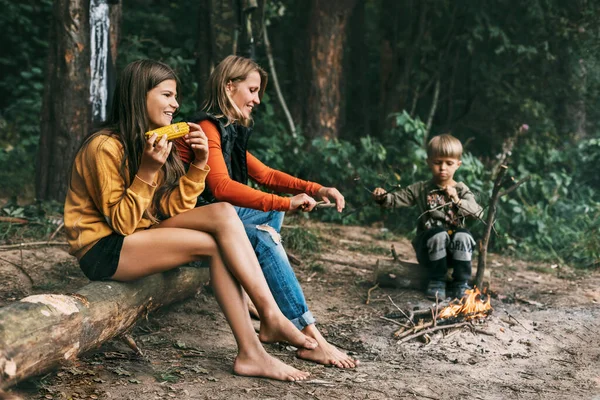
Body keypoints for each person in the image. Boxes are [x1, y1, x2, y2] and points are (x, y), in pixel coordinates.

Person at [64, 59, 319, 382]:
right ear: (139, 96)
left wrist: (198, 164)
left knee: (223, 213)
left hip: (140, 233)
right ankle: (257, 341)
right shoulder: (103, 147)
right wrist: (147, 171)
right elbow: (122, 223)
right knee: (214, 245)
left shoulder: (152, 141)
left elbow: (169, 208)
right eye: (168, 95)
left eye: (176, 96)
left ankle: (263, 327)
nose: (176, 105)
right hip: (104, 249)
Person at [175, 55, 358, 368]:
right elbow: (220, 187)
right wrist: (286, 202)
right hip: (185, 222)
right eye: (253, 90)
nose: (257, 99)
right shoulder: (206, 127)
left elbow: (266, 175)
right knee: (264, 233)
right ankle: (308, 331)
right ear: (229, 86)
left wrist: (317, 189)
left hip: (211, 216)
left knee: (269, 220)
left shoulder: (224, 128)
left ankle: (259, 300)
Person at [372, 134, 483, 300]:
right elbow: (395, 199)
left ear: (458, 165)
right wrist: (382, 197)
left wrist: (457, 200)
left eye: (449, 163)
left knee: (463, 235)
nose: (443, 168)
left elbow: (478, 213)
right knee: (438, 234)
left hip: (455, 254)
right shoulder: (421, 189)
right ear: (429, 162)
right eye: (438, 162)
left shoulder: (461, 190)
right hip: (429, 253)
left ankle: (461, 283)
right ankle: (437, 281)